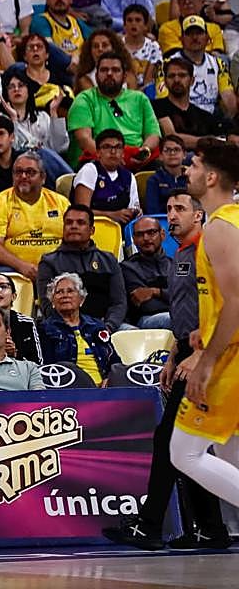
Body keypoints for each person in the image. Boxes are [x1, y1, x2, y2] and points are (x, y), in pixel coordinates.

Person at [105, 191, 230, 550]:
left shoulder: (210, 250)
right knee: (185, 444)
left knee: (172, 440)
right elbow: (187, 313)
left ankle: (150, 526)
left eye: (180, 209)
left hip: (214, 354)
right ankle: (210, 529)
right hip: (190, 350)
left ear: (199, 215)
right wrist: (175, 354)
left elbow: (226, 306)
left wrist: (200, 354)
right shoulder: (181, 256)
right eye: (170, 209)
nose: (171, 215)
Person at [170, 140, 239, 510]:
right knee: (230, 454)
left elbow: (236, 301)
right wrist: (206, 327)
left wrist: (207, 361)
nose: (187, 170)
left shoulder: (220, 229)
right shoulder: (230, 221)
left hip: (230, 359)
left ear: (211, 177)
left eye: (194, 165)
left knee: (184, 453)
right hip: (228, 347)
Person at [0, 151, 70, 280]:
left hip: (56, 267)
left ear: (43, 178)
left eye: (30, 172)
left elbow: (73, 239)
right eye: (18, 172)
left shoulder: (60, 202)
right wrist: (21, 266)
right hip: (13, 269)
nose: (23, 176)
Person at [37, 205, 128, 331]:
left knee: (131, 334)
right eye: (69, 223)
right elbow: (46, 304)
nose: (74, 226)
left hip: (106, 326)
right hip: (64, 327)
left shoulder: (109, 260)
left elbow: (119, 302)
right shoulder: (49, 262)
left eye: (80, 223)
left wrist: (108, 327)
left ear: (92, 230)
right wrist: (72, 326)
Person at [67, 53, 160, 166]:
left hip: (138, 157)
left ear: (124, 76)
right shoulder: (84, 99)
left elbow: (153, 134)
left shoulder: (140, 98)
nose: (109, 74)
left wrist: (145, 151)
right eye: (104, 70)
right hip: (99, 158)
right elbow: (84, 140)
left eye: (115, 70)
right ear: (96, 76)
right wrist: (114, 158)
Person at [39, 272, 122, 385]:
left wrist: (110, 378)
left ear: (81, 299)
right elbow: (47, 368)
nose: (65, 295)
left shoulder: (97, 326)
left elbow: (114, 360)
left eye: (70, 291)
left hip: (104, 388)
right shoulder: (44, 329)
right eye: (59, 292)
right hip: (69, 388)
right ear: (52, 301)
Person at [167, 16, 237, 118]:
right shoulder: (167, 64)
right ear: (181, 39)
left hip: (211, 120)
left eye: (199, 33)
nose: (195, 37)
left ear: (207, 38)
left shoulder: (218, 64)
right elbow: (164, 102)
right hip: (181, 119)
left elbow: (230, 102)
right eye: (189, 34)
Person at [72, 128, 140, 225]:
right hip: (92, 227)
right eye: (107, 147)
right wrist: (111, 215)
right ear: (98, 152)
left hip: (122, 229)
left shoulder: (129, 177)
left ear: (123, 153)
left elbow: (133, 209)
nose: (113, 151)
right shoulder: (89, 170)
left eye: (118, 147)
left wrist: (136, 213)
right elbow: (80, 212)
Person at [121, 216, 174, 330]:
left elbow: (188, 298)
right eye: (140, 234)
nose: (146, 238)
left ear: (162, 234)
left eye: (151, 232)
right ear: (134, 239)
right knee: (176, 318)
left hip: (177, 314)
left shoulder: (175, 264)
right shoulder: (127, 268)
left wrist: (155, 292)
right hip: (145, 319)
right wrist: (170, 296)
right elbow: (147, 306)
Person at [159, 0, 227, 55]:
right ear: (178, 3)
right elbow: (175, 55)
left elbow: (218, 54)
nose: (187, 2)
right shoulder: (167, 28)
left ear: (202, 1)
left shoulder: (214, 29)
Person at [146, 134, 189, 214]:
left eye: (176, 149)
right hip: (163, 220)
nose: (172, 153)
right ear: (160, 156)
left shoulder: (192, 178)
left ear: (184, 155)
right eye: (167, 150)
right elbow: (152, 212)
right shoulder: (154, 180)